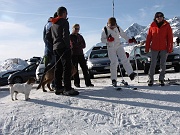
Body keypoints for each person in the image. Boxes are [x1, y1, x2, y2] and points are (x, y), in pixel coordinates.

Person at [47, 6, 79, 96]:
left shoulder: (53, 24)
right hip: (63, 47)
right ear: (64, 13)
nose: (67, 15)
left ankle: (58, 87)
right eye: (66, 13)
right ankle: (67, 88)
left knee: (58, 68)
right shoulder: (64, 22)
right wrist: (67, 47)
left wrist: (54, 44)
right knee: (67, 67)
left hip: (55, 48)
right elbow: (66, 35)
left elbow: (48, 37)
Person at [101, 17, 137, 87]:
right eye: (111, 26)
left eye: (113, 26)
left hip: (118, 46)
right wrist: (108, 40)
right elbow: (102, 40)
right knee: (114, 62)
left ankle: (131, 73)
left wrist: (129, 40)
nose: (112, 27)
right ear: (108, 24)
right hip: (111, 47)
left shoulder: (117, 28)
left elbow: (123, 34)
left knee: (125, 59)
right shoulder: (105, 30)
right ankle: (114, 79)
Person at [145, 12, 173, 86]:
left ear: (163, 17)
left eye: (161, 16)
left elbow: (170, 38)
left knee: (163, 64)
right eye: (157, 16)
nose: (159, 17)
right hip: (154, 48)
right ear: (155, 18)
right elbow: (148, 38)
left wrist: (170, 48)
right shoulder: (152, 26)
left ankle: (161, 79)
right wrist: (147, 48)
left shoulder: (167, 25)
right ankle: (151, 79)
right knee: (153, 64)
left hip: (164, 48)